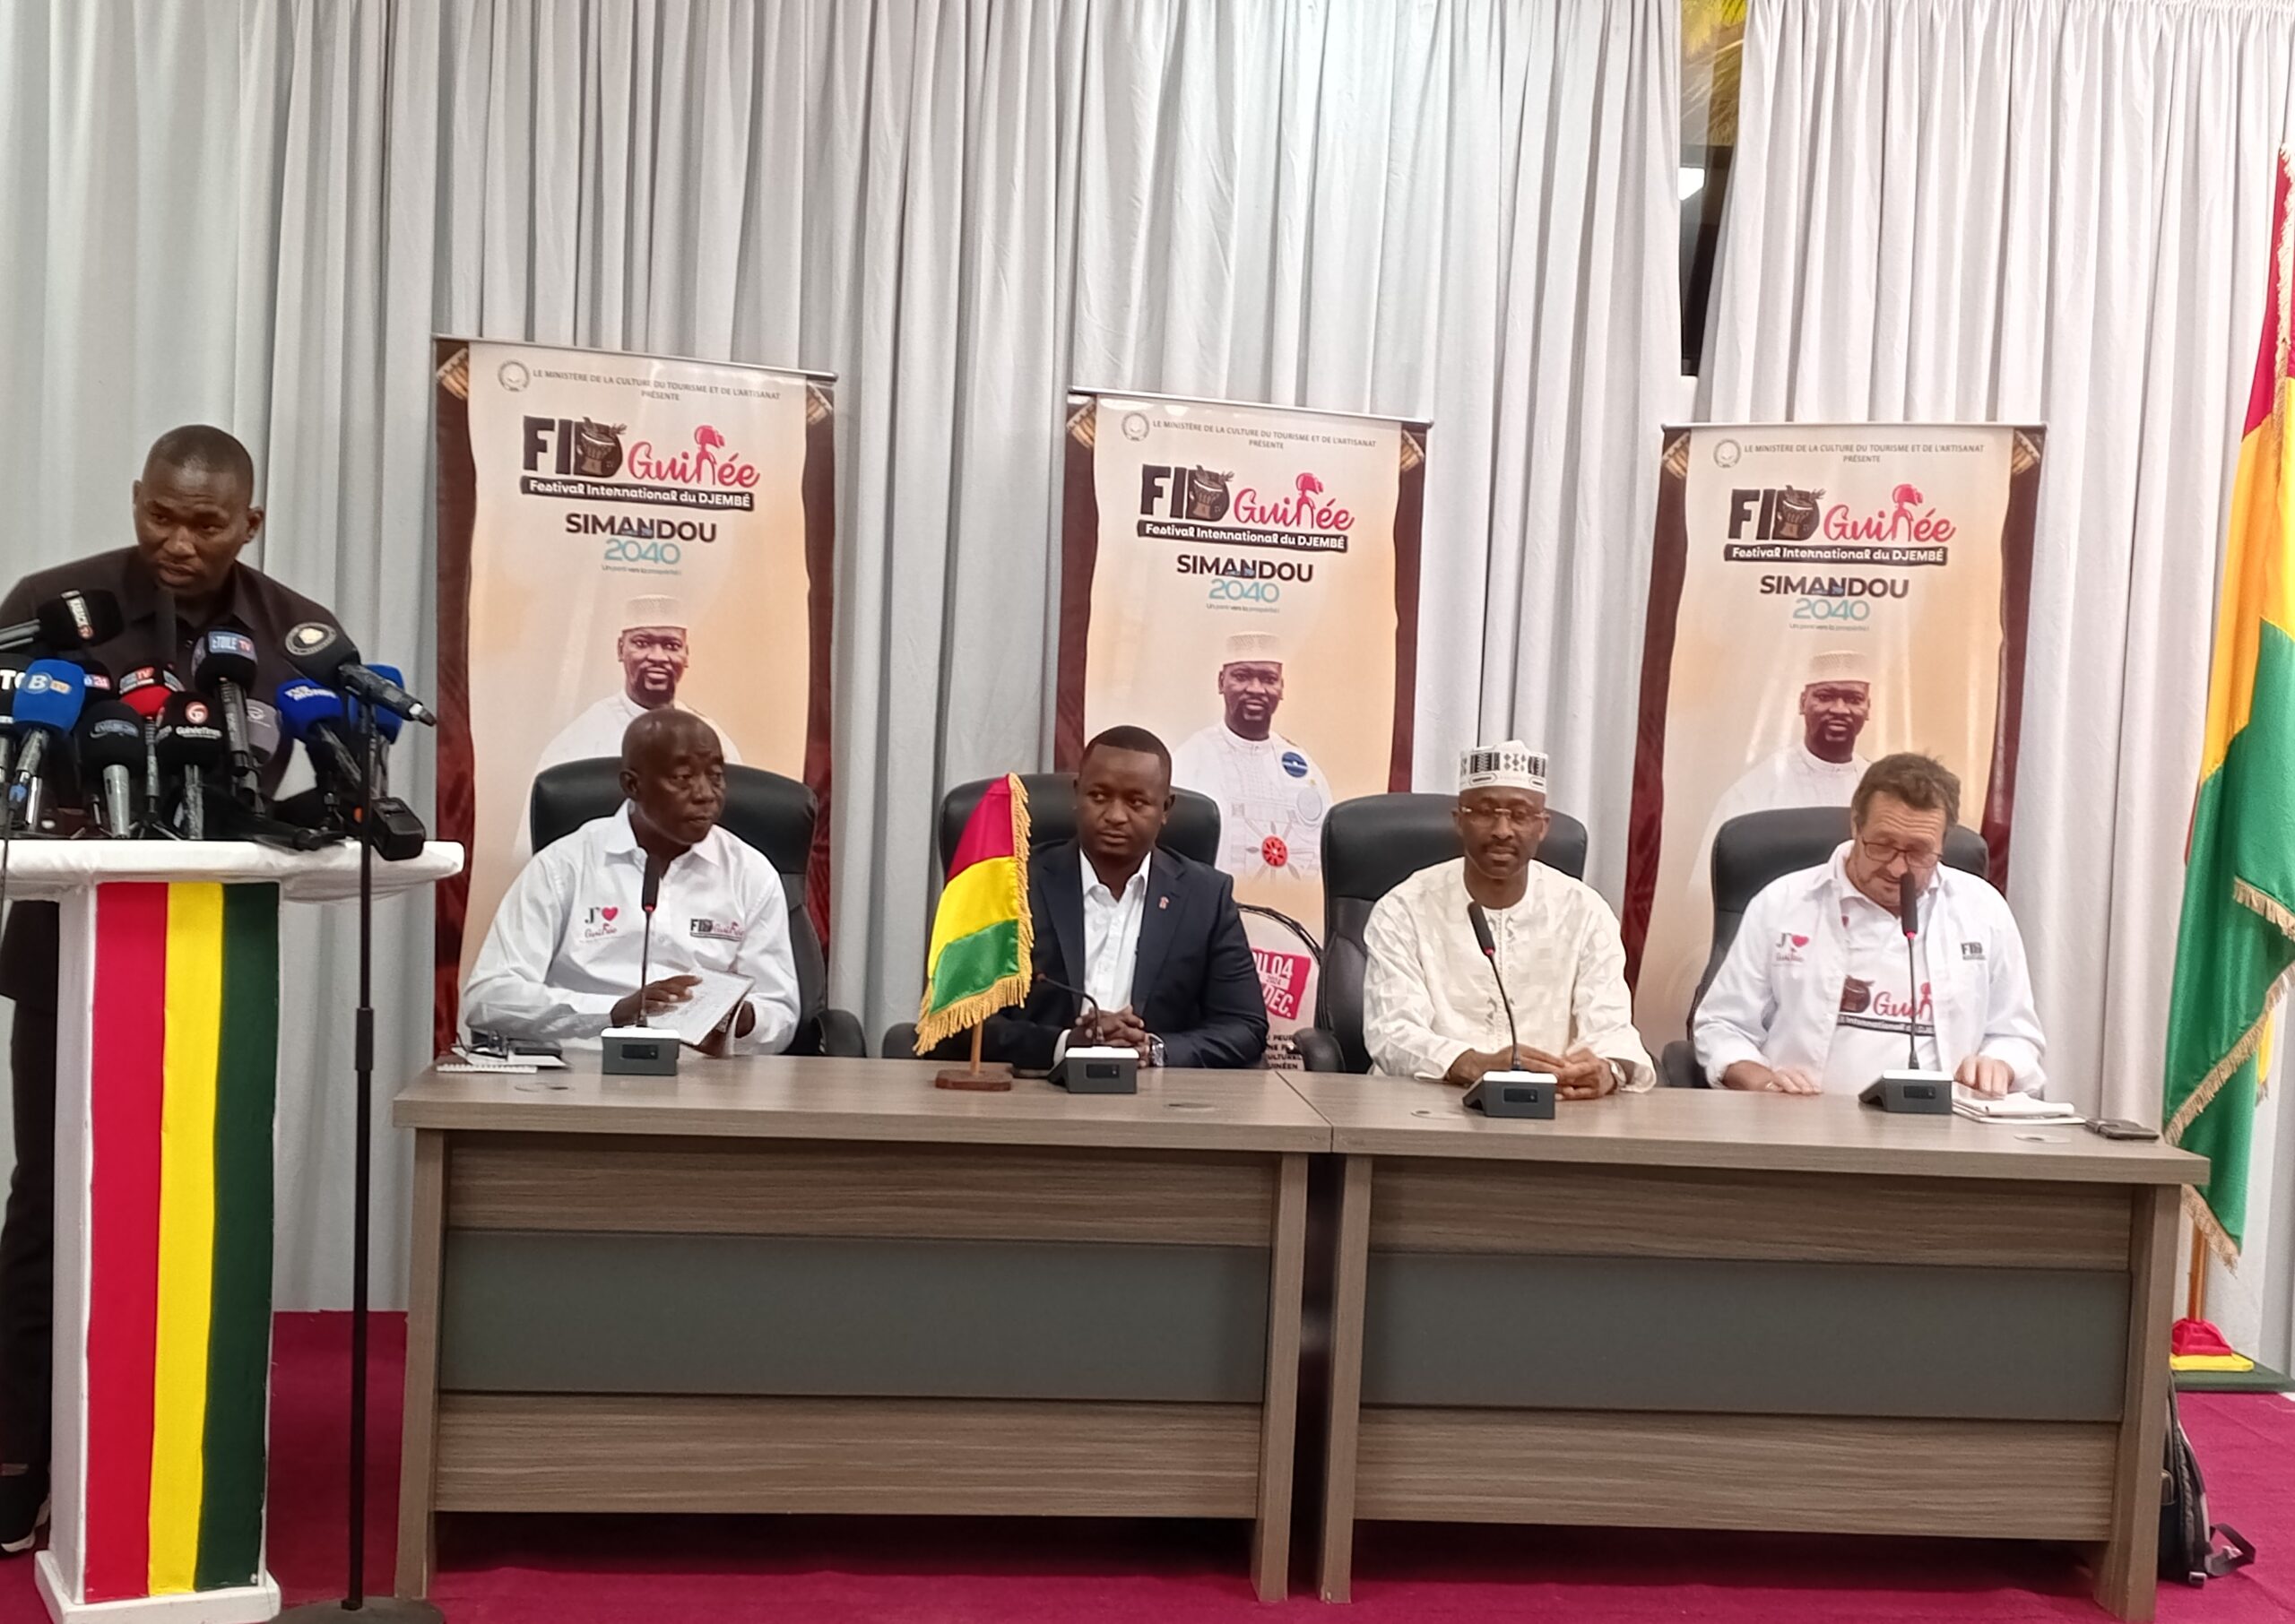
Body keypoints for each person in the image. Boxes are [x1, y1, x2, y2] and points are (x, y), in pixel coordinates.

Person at [0, 426, 345, 1554]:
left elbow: (313, 792)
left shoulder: (297, 635)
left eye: (206, 523)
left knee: (194, 1204)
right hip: (71, 953)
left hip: (216, 965)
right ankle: (18, 1454)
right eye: (161, 515)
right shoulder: (50, 607)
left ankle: (163, 1453)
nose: (179, 541)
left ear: (251, 522)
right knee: (52, 1200)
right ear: (136, 500)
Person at [1692, 752, 2044, 1097]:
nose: (1897, 869)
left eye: (1919, 852)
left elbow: (2016, 1036)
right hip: (1799, 1119)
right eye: (1882, 845)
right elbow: (1722, 1025)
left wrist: (2000, 1064)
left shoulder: (1983, 910)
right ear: (1856, 827)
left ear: (1942, 844)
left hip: (1944, 1124)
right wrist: (1761, 1081)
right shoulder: (1782, 902)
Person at [465, 709, 801, 1055]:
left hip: (701, 1073)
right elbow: (488, 999)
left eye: (716, 776)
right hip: (583, 1070)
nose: (705, 794)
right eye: (683, 777)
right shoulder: (564, 866)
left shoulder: (751, 873)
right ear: (632, 785)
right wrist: (612, 1012)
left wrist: (744, 1020)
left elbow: (781, 1014)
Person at [1362, 742, 1652, 1096]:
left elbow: (1612, 1028)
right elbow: (1391, 1032)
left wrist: (1607, 1069)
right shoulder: (1403, 909)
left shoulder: (1586, 912)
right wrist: (1470, 1063)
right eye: (1485, 812)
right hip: (1427, 1105)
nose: (1502, 830)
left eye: (1520, 814)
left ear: (1542, 826)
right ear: (1459, 820)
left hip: (1555, 1109)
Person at [983, 725, 1268, 1069]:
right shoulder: (1010, 885)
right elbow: (958, 1021)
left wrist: (1152, 1049)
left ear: (1165, 808)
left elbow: (1245, 1026)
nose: (1115, 816)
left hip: (1157, 1094)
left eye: (1136, 802)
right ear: (1076, 794)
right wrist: (1064, 1044)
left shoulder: (1206, 897)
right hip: (1033, 1088)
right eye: (1099, 796)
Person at [1170, 632, 1332, 882]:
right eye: (1242, 676)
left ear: (1281, 688)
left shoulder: (1303, 767)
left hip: (1292, 904)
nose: (1256, 689)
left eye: (1269, 679)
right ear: (1221, 682)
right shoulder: (1192, 758)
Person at [530, 595, 744, 777]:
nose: (658, 657)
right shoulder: (580, 741)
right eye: (642, 643)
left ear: (686, 655)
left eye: (671, 646)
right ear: (620, 649)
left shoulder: (710, 736)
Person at [1698, 647, 1875, 860]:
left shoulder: (1880, 786)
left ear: (1868, 708)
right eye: (1825, 697)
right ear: (1802, 703)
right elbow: (1719, 871)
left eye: (1854, 699)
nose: (1839, 709)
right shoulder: (1756, 789)